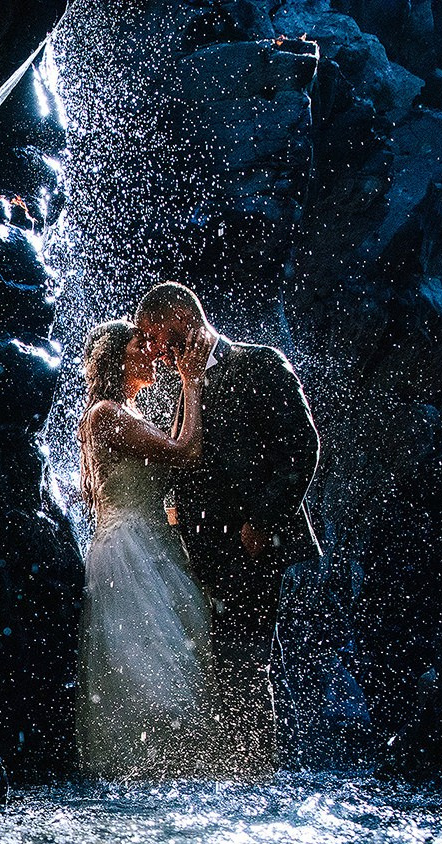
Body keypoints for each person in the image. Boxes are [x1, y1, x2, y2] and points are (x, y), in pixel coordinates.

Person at [130, 282, 320, 771]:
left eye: (156, 335)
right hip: (200, 552)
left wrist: (261, 522)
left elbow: (303, 446)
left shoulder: (259, 363)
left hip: (253, 547)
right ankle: (238, 773)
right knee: (221, 665)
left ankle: (256, 779)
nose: (156, 350)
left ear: (181, 317)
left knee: (246, 664)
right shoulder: (184, 386)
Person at [76, 319, 215, 777]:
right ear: (118, 357)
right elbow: (186, 452)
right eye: (143, 343)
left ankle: (174, 779)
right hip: (128, 553)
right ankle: (146, 783)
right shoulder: (105, 414)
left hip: (153, 545)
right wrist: (191, 382)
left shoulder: (128, 414)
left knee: (170, 668)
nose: (154, 351)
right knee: (152, 679)